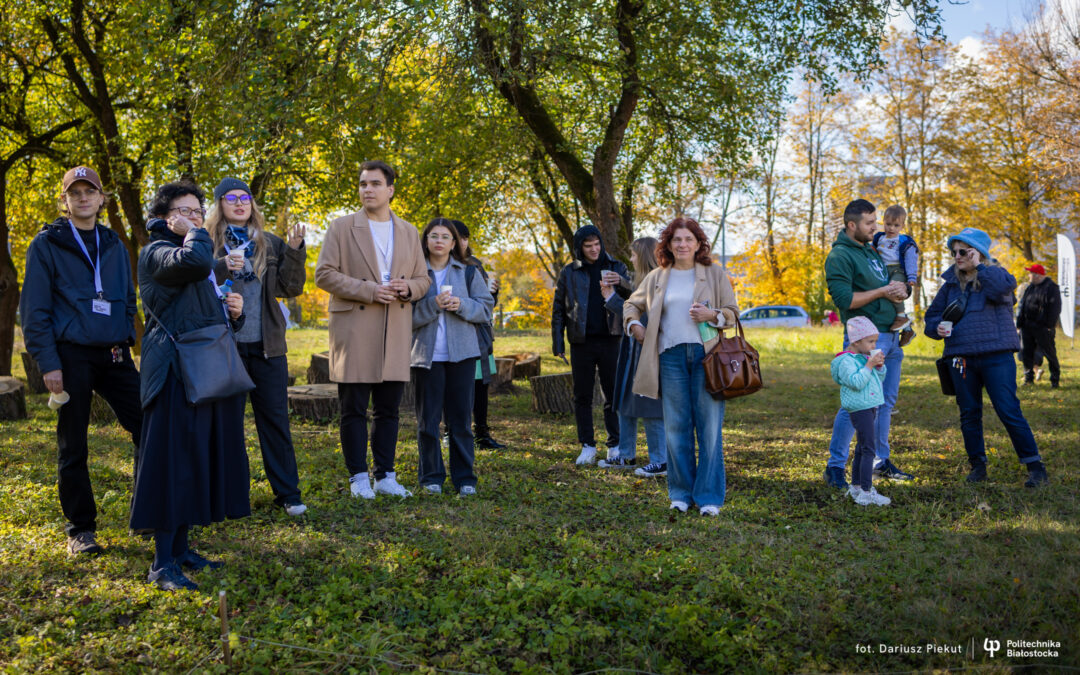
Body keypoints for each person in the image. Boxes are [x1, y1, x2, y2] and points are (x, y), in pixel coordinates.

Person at [131, 181, 250, 591]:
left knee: (193, 461)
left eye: (199, 212)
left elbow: (201, 307)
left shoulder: (193, 256)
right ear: (165, 217)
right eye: (185, 211)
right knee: (170, 466)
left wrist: (233, 314)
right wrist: (193, 233)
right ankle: (162, 563)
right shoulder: (157, 253)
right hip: (171, 376)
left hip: (200, 372)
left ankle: (181, 550)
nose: (195, 218)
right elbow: (198, 262)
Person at [19, 165, 144, 557]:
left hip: (113, 352)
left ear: (102, 198)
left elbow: (125, 295)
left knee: (150, 422)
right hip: (70, 354)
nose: (84, 197)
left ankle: (149, 512)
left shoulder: (113, 244)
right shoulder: (46, 244)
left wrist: (126, 336)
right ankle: (81, 529)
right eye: (76, 193)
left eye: (91, 191)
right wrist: (48, 362)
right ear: (66, 200)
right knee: (73, 443)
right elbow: (35, 309)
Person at [315, 160, 430, 499]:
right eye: (363, 183)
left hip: (394, 327)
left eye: (375, 184)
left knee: (388, 409)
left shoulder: (409, 231)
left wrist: (408, 288)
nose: (367, 189)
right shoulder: (341, 227)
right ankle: (358, 478)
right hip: (354, 327)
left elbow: (424, 280)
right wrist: (369, 290)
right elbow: (324, 274)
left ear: (390, 190)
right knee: (353, 408)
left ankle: (385, 476)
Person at [206, 177, 309, 516]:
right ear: (219, 204)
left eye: (245, 198)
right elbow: (199, 288)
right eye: (230, 198)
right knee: (228, 426)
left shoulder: (271, 243)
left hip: (268, 346)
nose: (239, 203)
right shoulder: (207, 244)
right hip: (226, 348)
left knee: (275, 422)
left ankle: (288, 495)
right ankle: (232, 498)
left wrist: (294, 250)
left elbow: (290, 288)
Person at [622, 217, 739, 515]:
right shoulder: (658, 276)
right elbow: (631, 304)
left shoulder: (714, 273)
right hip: (670, 358)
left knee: (709, 429)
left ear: (698, 243)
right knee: (676, 428)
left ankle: (709, 498)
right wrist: (635, 325)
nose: (683, 244)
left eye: (688, 239)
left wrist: (712, 315)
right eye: (677, 240)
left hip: (707, 358)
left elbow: (733, 314)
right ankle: (681, 494)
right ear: (668, 245)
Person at [924, 228, 1049, 488]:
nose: (957, 256)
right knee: (969, 413)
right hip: (960, 358)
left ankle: (1035, 468)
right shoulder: (949, 284)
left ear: (978, 253)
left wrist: (979, 267)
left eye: (963, 251)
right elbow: (931, 318)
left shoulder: (997, 275)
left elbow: (1003, 290)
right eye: (954, 251)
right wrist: (938, 327)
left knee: (1008, 410)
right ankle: (978, 467)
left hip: (996, 356)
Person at [822, 199, 914, 489]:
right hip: (864, 342)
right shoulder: (840, 256)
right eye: (869, 223)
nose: (876, 227)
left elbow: (888, 283)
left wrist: (900, 288)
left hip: (891, 337)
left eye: (876, 222)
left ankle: (878, 461)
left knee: (884, 403)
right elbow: (846, 300)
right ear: (852, 225)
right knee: (855, 404)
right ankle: (835, 467)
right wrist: (883, 291)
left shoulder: (871, 250)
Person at [411, 218, 494, 495]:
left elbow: (485, 309)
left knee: (460, 421)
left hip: (463, 356)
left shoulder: (468, 271)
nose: (438, 241)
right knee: (428, 421)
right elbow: (405, 317)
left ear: (454, 243)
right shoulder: (414, 273)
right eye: (433, 236)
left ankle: (465, 478)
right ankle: (431, 477)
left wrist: (461, 304)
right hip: (425, 356)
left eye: (445, 237)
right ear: (425, 241)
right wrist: (432, 305)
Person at [551, 225, 632, 465]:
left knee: (613, 394)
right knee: (582, 395)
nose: (594, 249)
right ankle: (587, 445)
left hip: (612, 339)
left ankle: (614, 445)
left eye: (597, 244)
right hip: (581, 341)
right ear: (579, 248)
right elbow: (558, 309)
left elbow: (636, 299)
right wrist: (558, 342)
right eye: (588, 246)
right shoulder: (569, 272)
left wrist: (623, 282)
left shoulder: (617, 267)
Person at [596, 237, 667, 475]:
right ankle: (626, 456)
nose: (632, 259)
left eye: (635, 255)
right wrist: (612, 296)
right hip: (630, 354)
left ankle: (661, 460)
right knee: (624, 403)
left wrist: (610, 299)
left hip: (649, 354)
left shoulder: (658, 280)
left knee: (650, 406)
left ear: (645, 256)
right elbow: (632, 311)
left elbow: (647, 319)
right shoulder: (641, 281)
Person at [451, 219, 506, 450]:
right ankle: (449, 432)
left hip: (481, 336)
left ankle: (482, 433)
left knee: (481, 385)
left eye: (465, 238)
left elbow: (488, 305)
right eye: (458, 237)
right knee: (454, 387)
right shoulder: (441, 265)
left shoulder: (476, 264)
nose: (462, 242)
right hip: (456, 334)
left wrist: (494, 292)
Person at [830, 317, 891, 506]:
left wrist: (878, 366)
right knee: (869, 449)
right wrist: (869, 365)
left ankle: (856, 486)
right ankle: (866, 491)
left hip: (869, 405)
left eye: (875, 341)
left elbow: (878, 377)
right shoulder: (845, 361)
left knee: (861, 447)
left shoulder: (863, 358)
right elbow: (856, 382)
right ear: (856, 341)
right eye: (870, 341)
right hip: (860, 407)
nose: (874, 345)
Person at [872, 204, 920, 337]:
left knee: (894, 289)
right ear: (883, 223)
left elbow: (911, 258)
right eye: (888, 224)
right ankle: (907, 331)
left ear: (902, 226)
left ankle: (901, 317)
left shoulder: (904, 241)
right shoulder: (879, 238)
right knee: (885, 293)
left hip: (897, 270)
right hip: (883, 270)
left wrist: (911, 277)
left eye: (896, 225)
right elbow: (872, 251)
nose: (891, 228)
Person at [1016, 263, 1061, 388]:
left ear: (1037, 275)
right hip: (1027, 326)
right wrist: (1019, 324)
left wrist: (1049, 325)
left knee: (1049, 353)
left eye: (1030, 273)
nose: (1029, 275)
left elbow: (1055, 308)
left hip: (1043, 327)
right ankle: (1028, 378)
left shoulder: (1051, 287)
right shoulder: (1030, 287)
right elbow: (1022, 305)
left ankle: (1055, 380)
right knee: (1026, 353)